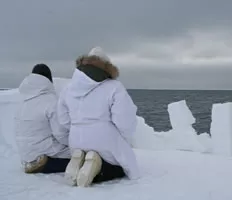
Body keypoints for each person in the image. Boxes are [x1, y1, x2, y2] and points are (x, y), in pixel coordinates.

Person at [57, 47, 140, 187]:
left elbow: (62, 118)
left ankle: (79, 159)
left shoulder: (69, 87)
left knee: (83, 152)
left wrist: (73, 129)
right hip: (103, 138)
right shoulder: (114, 86)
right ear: (106, 66)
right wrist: (124, 137)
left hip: (75, 138)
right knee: (120, 167)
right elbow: (124, 118)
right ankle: (98, 166)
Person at [15, 64, 70, 174]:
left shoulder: (23, 101)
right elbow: (61, 134)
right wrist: (74, 143)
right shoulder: (50, 101)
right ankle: (45, 163)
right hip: (47, 153)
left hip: (26, 154)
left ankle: (32, 162)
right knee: (79, 156)